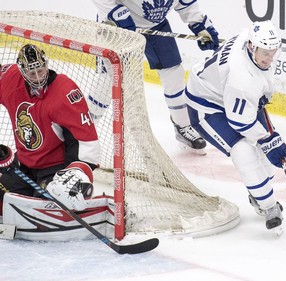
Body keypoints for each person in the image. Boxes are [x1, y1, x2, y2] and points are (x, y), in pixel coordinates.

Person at [184, 20, 286, 230]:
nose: (269, 59)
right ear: (252, 47)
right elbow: (239, 121)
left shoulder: (249, 37)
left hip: (229, 94)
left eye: (273, 52)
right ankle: (268, 206)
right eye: (265, 53)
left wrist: (267, 142)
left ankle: (260, 190)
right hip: (206, 104)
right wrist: (269, 141)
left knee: (264, 155)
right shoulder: (243, 80)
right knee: (243, 150)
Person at [91, 0, 220, 155]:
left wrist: (199, 24)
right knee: (107, 82)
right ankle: (82, 130)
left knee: (174, 74)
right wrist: (115, 13)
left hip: (155, 26)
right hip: (116, 27)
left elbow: (186, 3)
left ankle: (183, 125)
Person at [0, 44, 100, 216]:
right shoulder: (9, 80)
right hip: (23, 165)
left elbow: (86, 139)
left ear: (46, 64)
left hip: (54, 171)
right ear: (22, 72)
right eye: (32, 73)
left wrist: (75, 174)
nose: (38, 77)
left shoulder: (65, 92)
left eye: (41, 70)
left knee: (44, 211)